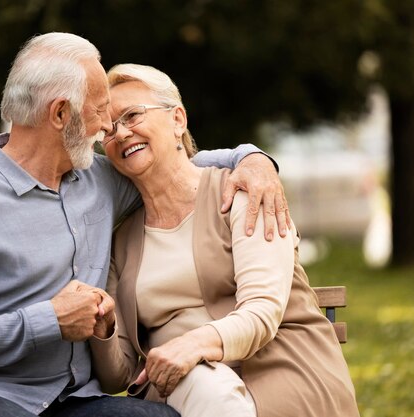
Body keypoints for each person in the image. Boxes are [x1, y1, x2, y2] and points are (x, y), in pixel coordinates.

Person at [0, 33, 290, 417]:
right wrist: (48, 320)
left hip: (75, 401)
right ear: (60, 114)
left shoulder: (98, 178)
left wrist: (252, 159)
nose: (109, 127)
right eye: (102, 109)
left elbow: (171, 164)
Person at [89, 63, 361, 417]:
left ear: (177, 120)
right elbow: (120, 374)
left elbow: (262, 311)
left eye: (132, 115)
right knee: (202, 385)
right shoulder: (121, 241)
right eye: (108, 129)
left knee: (206, 388)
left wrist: (190, 345)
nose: (121, 134)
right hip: (181, 388)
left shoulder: (244, 193)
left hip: (280, 370)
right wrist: (105, 327)